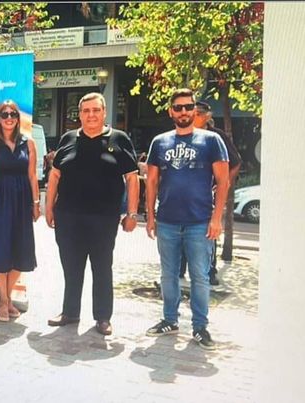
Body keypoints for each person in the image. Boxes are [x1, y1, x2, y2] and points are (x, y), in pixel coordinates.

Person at [44, 92, 140, 336]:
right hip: (68, 217)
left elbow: (132, 178)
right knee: (71, 266)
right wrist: (49, 207)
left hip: (103, 218)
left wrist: (132, 213)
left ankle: (103, 317)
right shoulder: (68, 138)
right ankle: (70, 312)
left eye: (96, 110)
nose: (91, 115)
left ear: (104, 112)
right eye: (86, 111)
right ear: (80, 115)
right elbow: (55, 175)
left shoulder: (119, 139)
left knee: (102, 267)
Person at [145, 88, 230, 350]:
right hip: (167, 221)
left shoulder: (211, 140)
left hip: (200, 222)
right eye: (178, 107)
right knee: (168, 275)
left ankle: (200, 327)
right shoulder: (159, 142)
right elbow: (151, 181)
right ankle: (170, 320)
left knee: (200, 277)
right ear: (171, 111)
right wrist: (150, 216)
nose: (183, 111)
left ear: (195, 110)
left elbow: (223, 181)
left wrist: (216, 218)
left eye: (188, 106)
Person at [0, 100, 40, 322]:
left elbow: (32, 175)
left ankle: (6, 296)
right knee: (0, 250)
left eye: (13, 114)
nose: (9, 118)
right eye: (5, 114)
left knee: (22, 251)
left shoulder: (28, 143)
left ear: (18, 118)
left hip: (22, 202)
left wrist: (36, 202)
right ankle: (3, 301)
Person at [178, 100, 243, 285]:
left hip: (206, 195)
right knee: (181, 230)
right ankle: (179, 269)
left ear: (207, 117)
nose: (193, 116)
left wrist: (224, 183)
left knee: (207, 231)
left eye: (198, 113)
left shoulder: (216, 136)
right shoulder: (182, 134)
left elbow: (236, 161)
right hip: (183, 194)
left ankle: (209, 271)